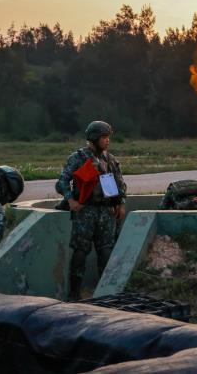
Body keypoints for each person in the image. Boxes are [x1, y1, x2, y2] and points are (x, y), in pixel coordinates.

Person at [56, 121, 127, 300]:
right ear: (94, 138)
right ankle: (74, 294)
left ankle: (106, 294)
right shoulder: (78, 158)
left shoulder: (109, 159)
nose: (107, 141)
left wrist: (121, 203)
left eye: (108, 137)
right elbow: (62, 182)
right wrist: (71, 200)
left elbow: (120, 183)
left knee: (106, 251)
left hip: (106, 212)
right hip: (85, 211)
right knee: (80, 252)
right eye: (104, 137)